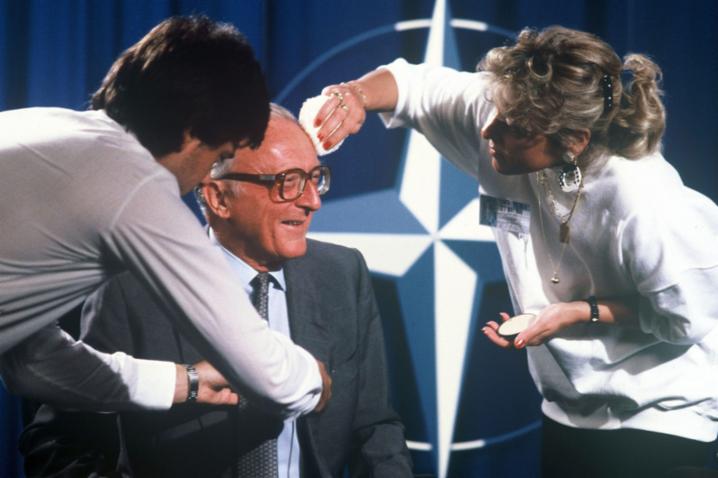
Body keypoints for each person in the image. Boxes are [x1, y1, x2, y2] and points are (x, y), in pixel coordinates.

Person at [311, 26, 718, 476]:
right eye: (497, 110)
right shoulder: (507, 113)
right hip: (566, 410)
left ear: (573, 141)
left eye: (513, 126)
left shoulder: (646, 204)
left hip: (662, 420)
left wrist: (579, 312)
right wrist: (353, 97)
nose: (488, 128)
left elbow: (687, 320)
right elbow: (410, 85)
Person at [20, 105, 412, 478]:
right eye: (287, 182)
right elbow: (61, 441)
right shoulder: (129, 288)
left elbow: (374, 428)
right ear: (218, 198)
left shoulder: (342, 274)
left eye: (314, 178)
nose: (312, 201)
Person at [0, 15, 329, 416]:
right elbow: (268, 376)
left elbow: (32, 364)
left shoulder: (38, 124)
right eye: (221, 155)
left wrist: (184, 382)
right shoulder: (134, 186)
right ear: (192, 133)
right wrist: (312, 377)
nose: (201, 182)